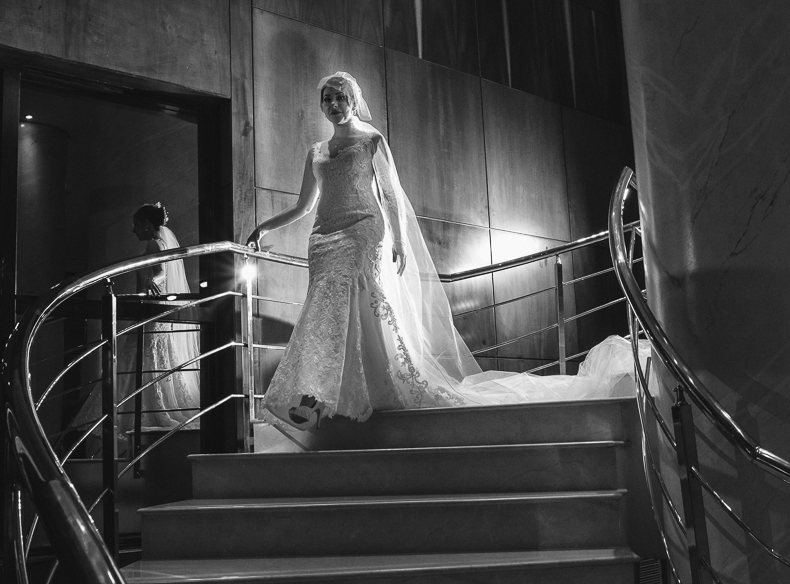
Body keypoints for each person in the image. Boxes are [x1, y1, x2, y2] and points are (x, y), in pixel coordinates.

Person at [247, 71, 640, 431]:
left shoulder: (371, 141)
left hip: (362, 232)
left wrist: (399, 240)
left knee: (346, 304)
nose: (334, 104)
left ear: (354, 101)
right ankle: (322, 393)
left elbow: (391, 196)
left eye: (341, 97)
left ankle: (327, 396)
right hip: (323, 239)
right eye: (328, 98)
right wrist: (263, 226)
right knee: (322, 309)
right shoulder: (316, 151)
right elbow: (304, 206)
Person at [73, 203, 201, 436]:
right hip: (154, 312)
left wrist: (154, 281)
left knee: (131, 360)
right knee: (148, 362)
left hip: (150, 313)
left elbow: (161, 271)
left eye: (135, 225)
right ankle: (140, 411)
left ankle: (122, 415)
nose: (133, 231)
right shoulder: (161, 243)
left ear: (146, 224)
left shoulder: (154, 243)